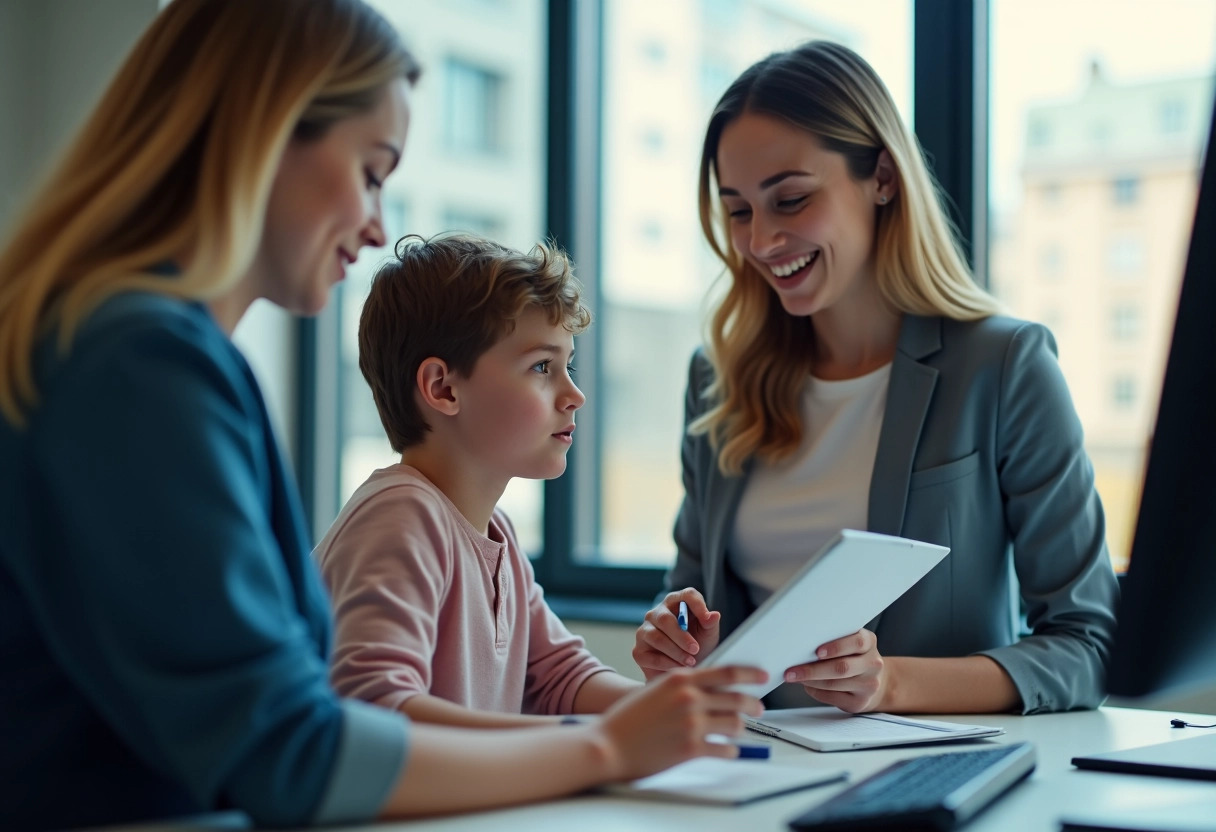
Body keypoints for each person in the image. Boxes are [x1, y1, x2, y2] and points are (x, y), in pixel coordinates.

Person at [0, 2, 765, 830]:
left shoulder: (159, 353)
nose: (374, 226)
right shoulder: (139, 365)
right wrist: (608, 748)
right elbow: (289, 750)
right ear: (265, 132)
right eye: (370, 171)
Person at [631, 40, 1119, 716]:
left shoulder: (1005, 366)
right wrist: (673, 637)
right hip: (748, 766)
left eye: (792, 200)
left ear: (883, 177)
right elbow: (692, 600)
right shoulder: (718, 379)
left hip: (927, 781)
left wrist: (891, 683)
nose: (762, 241)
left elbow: (1086, 646)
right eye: (739, 210)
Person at [315, 233, 649, 728]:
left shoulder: (500, 537)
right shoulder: (401, 517)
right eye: (542, 367)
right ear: (443, 388)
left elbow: (561, 677)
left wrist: (677, 709)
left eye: (568, 366)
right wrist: (599, 741)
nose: (574, 394)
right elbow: (376, 708)